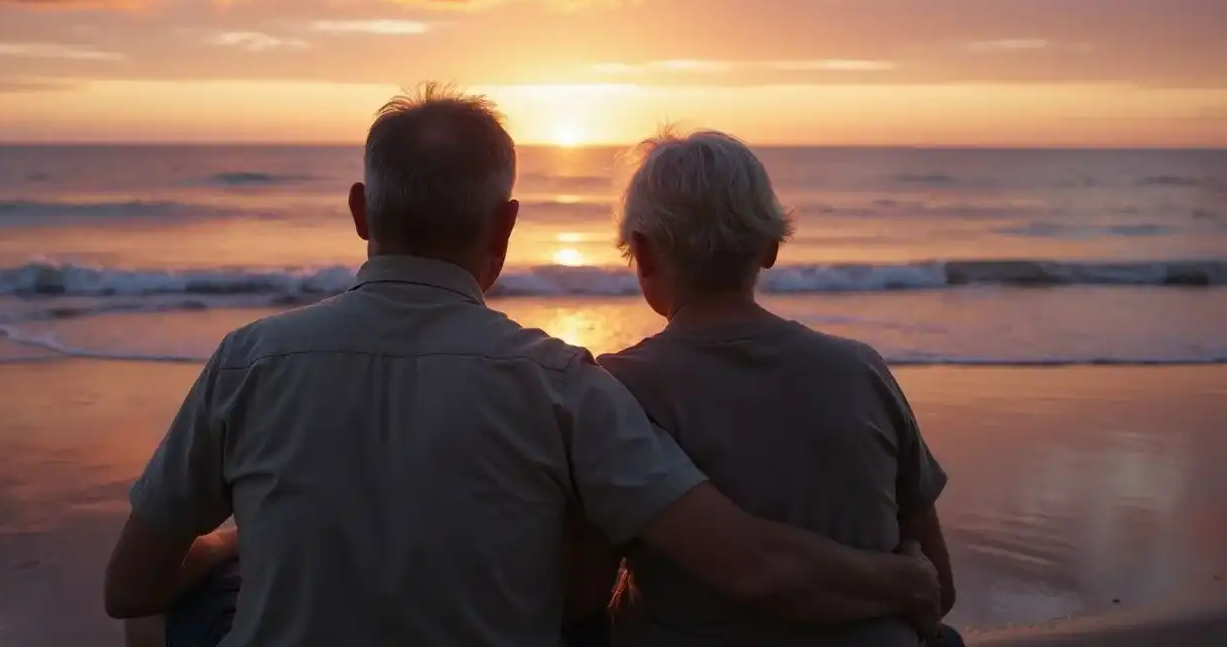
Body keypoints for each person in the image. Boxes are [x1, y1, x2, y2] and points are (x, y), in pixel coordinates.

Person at [102, 86, 941, 647]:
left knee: (160, 618)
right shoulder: (565, 382)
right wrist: (902, 578)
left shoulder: (247, 359)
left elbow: (128, 585)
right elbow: (746, 562)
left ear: (360, 212)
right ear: (506, 226)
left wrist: (225, 543)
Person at [591, 128, 959, 646]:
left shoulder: (619, 389)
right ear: (769, 248)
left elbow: (581, 593)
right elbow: (937, 586)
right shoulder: (861, 370)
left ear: (644, 253)